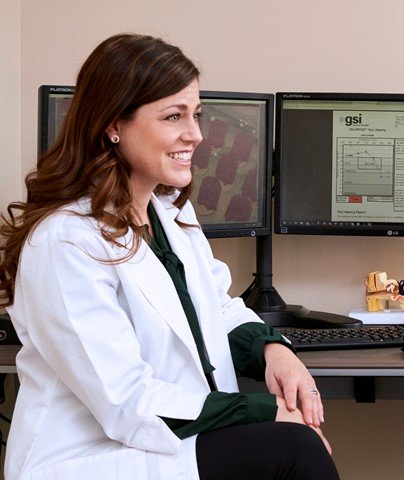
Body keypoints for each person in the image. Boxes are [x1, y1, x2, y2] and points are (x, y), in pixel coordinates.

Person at [0, 34, 340, 480]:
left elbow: (215, 308)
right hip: (93, 458)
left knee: (293, 446)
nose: (196, 135)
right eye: (173, 116)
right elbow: (126, 401)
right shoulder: (64, 243)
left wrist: (273, 349)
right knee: (293, 450)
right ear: (113, 124)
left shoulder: (170, 212)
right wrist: (265, 409)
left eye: (196, 115)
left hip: (165, 443)